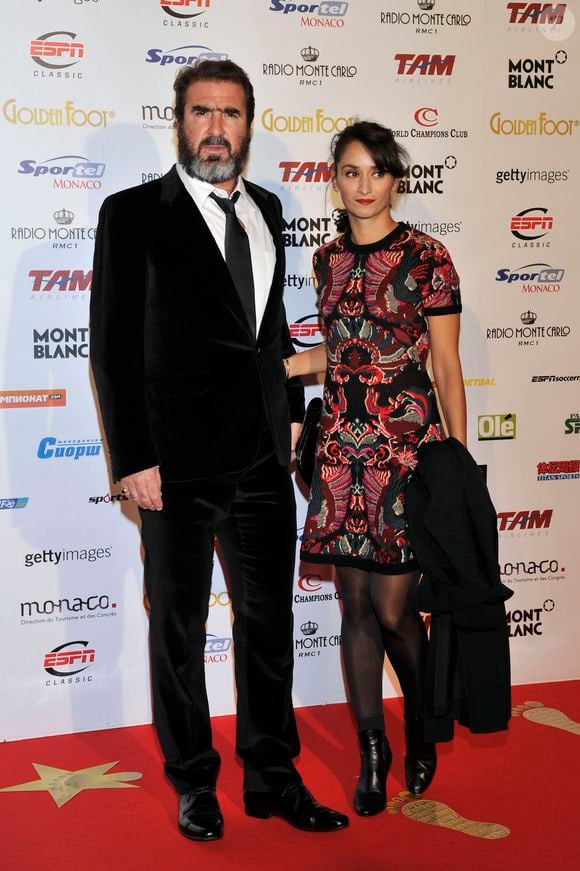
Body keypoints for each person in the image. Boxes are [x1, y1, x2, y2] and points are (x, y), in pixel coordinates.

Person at [90, 59, 348, 841]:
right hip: (174, 465)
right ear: (180, 118)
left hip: (264, 460)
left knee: (268, 626)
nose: (215, 128)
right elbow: (111, 346)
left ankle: (272, 775)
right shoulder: (132, 212)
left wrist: (294, 417)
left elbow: (269, 336)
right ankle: (194, 781)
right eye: (201, 111)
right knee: (178, 629)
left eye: (230, 114)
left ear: (248, 123)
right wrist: (132, 459)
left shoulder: (267, 207)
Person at [285, 121, 466, 816]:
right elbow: (340, 352)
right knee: (353, 605)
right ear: (335, 179)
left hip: (403, 448)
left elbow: (444, 362)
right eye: (351, 172)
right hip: (339, 451)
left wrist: (457, 455)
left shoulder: (428, 257)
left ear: (397, 178)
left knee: (395, 610)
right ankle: (372, 750)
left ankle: (420, 729)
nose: (364, 185)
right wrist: (279, 368)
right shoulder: (325, 259)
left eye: (377, 171)